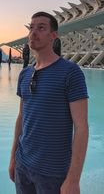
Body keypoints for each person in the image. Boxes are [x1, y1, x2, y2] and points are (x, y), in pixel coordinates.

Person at [9, 11, 89, 194]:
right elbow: (21, 117)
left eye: (41, 28)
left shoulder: (71, 73)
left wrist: (73, 180)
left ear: (54, 35)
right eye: (31, 27)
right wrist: (13, 158)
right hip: (23, 166)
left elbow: (81, 126)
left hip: (53, 173)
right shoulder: (24, 74)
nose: (33, 32)